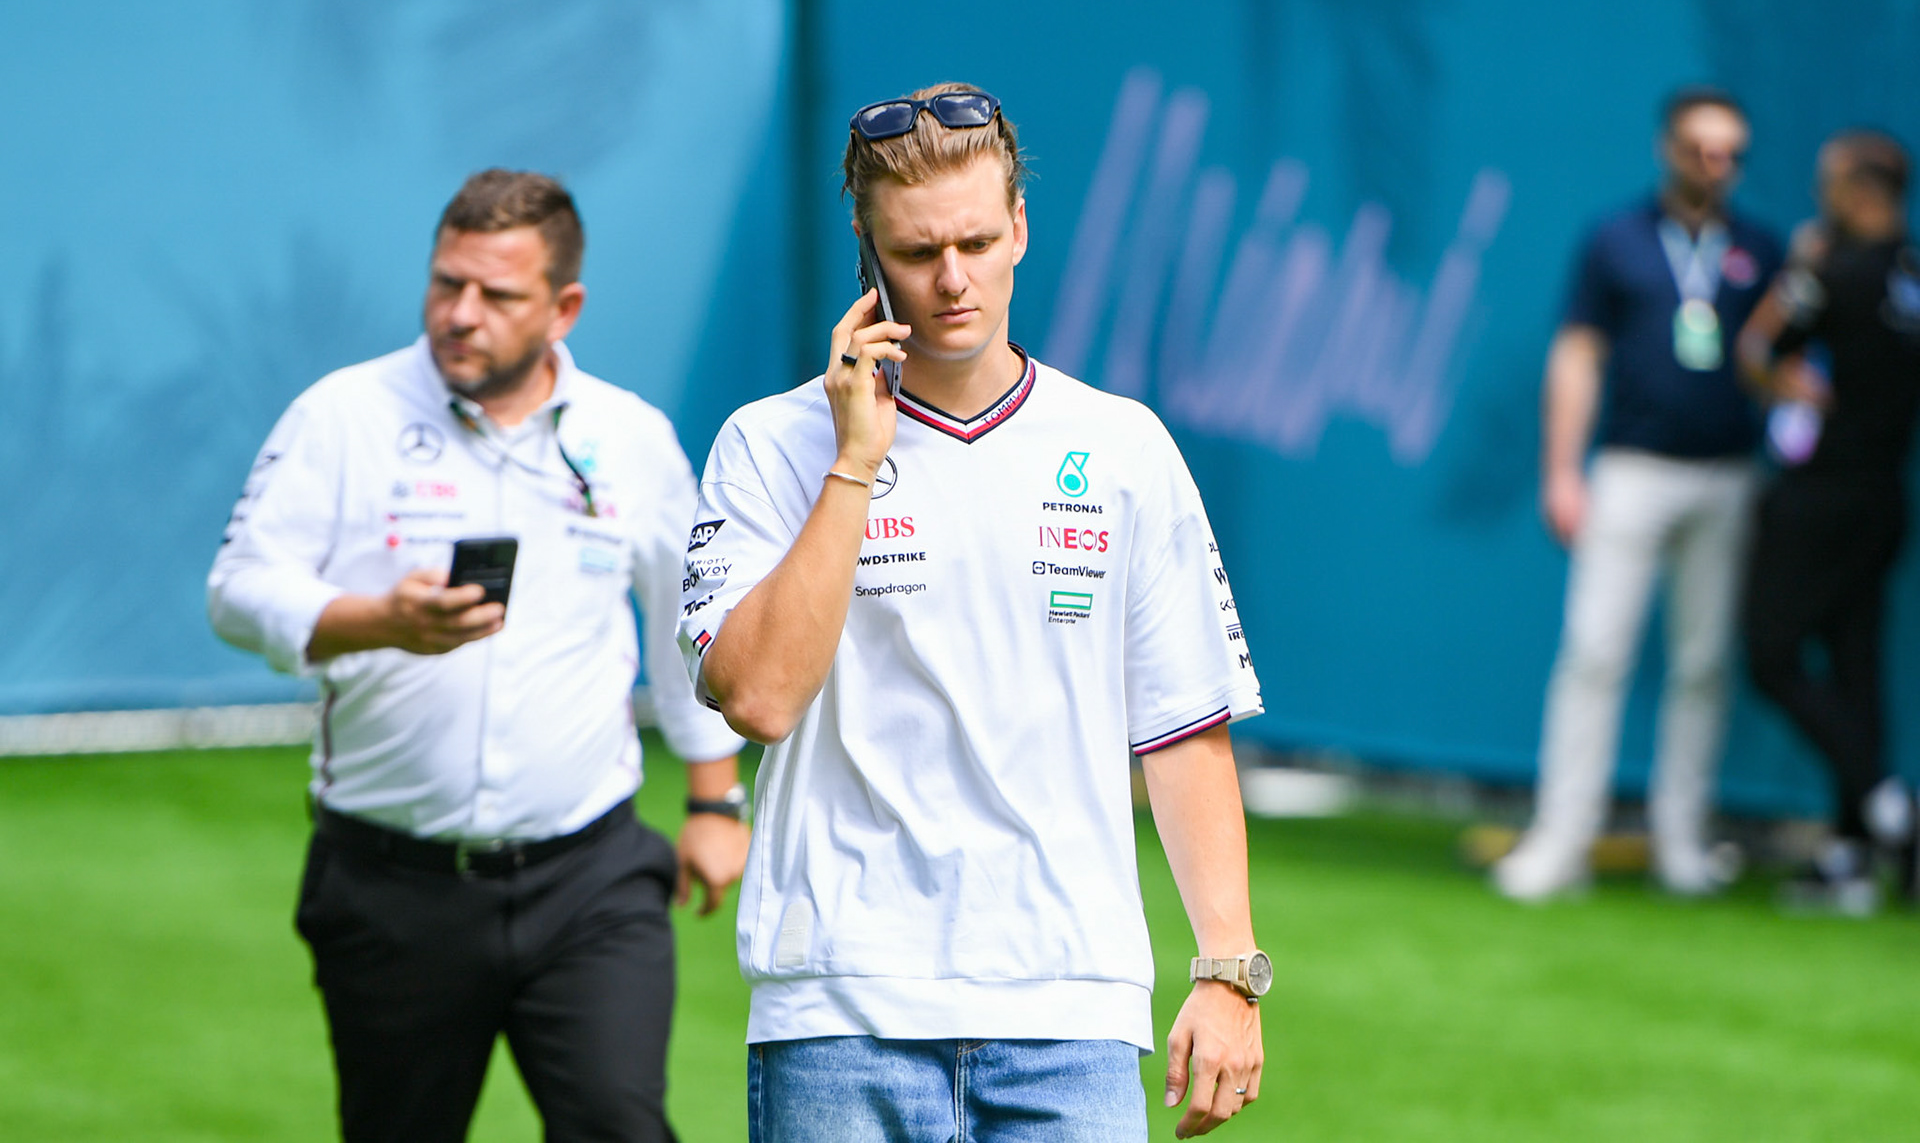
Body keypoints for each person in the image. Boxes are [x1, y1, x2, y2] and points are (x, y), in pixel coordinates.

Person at [676, 84, 1270, 1141]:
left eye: (977, 241)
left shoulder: (1124, 445)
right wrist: (855, 460)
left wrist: (1228, 970)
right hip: (837, 1009)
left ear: (1021, 229)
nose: (953, 279)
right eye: (916, 251)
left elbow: (1184, 724)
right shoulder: (767, 446)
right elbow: (758, 697)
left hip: (1071, 1013)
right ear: (864, 244)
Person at [207, 169, 750, 1143]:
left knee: (623, 1123)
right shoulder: (342, 414)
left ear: (563, 306)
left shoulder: (628, 435)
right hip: (390, 883)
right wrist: (374, 618)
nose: (462, 314)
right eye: (446, 283)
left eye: (496, 295)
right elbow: (239, 589)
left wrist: (715, 797)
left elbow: (689, 620)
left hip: (590, 872)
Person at [1495, 89, 1785, 901]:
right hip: (1630, 471)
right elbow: (1578, 354)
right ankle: (1562, 839)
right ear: (1669, 148)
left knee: (1701, 662)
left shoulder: (1760, 246)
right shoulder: (1616, 239)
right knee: (1594, 651)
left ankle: (1681, 841)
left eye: (1732, 152)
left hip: (1727, 476)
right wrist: (1562, 469)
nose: (1716, 166)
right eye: (1702, 148)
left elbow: (1783, 359)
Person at [1737, 131, 1920, 913]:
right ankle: (1847, 861)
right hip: (1883, 499)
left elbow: (1752, 349)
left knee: (1771, 654)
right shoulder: (1911, 274)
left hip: (1818, 498)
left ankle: (1888, 811)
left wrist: (1789, 380)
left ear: (1855, 190)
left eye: (1827, 182)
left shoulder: (1829, 272)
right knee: (1853, 663)